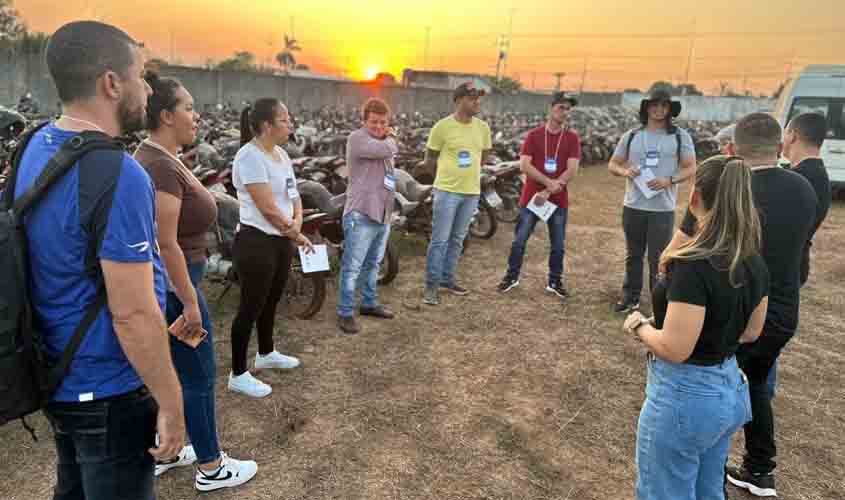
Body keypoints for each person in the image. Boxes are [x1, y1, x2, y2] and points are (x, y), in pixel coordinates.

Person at [12, 21, 184, 500]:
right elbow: (132, 313)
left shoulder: (33, 148)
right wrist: (171, 402)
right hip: (108, 388)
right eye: (141, 76)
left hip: (54, 373)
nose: (147, 89)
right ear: (112, 84)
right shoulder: (118, 173)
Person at [665, 113, 817, 498]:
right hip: (780, 313)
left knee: (715, 395)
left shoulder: (723, 190)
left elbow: (678, 249)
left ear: (733, 148)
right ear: (779, 146)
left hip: (729, 313)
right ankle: (759, 468)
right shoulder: (804, 190)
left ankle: (706, 475)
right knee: (756, 387)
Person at [134, 73, 257, 490]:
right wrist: (188, 301)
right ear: (166, 115)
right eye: (188, 108)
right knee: (199, 375)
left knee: (170, 371)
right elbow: (164, 242)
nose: (196, 116)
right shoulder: (159, 165)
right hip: (177, 288)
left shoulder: (159, 158)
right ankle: (211, 466)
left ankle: (163, 450)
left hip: (172, 286)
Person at [623, 155, 768, 500]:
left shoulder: (692, 265)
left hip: (686, 397)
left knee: (665, 490)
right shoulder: (753, 260)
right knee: (707, 488)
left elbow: (676, 348)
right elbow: (751, 332)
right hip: (729, 389)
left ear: (695, 199)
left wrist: (639, 326)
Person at [228, 98, 313, 398]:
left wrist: (297, 222)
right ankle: (238, 373)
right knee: (250, 307)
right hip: (256, 242)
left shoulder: (280, 155)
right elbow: (267, 208)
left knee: (271, 300)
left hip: (281, 241)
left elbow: (293, 195)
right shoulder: (249, 157)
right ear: (267, 125)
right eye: (285, 120)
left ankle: (266, 353)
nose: (291, 124)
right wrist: (296, 234)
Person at [761, 112, 832, 404]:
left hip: (778, 269)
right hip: (792, 265)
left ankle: (759, 393)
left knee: (762, 340)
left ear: (792, 135)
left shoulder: (798, 180)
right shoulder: (818, 175)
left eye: (785, 132)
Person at [608, 89, 697, 314]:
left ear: (669, 110)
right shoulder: (632, 135)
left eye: (664, 106)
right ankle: (630, 297)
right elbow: (613, 164)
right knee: (633, 254)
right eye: (655, 105)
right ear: (646, 108)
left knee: (659, 258)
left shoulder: (679, 136)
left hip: (662, 209)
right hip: (633, 205)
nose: (659, 109)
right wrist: (625, 171)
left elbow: (691, 167)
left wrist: (670, 180)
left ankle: (659, 303)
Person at [497, 92, 581, 297]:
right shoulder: (534, 136)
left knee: (558, 245)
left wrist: (553, 186)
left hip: (558, 199)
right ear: (551, 108)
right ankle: (511, 276)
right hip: (533, 199)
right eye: (561, 107)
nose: (565, 112)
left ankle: (554, 281)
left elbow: (572, 169)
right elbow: (525, 165)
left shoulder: (571, 138)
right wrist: (548, 184)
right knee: (519, 241)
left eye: (568, 108)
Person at [422, 82, 493, 305]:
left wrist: (468, 174)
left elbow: (484, 156)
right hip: (447, 192)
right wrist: (444, 180)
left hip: (471, 192)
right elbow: (429, 159)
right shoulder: (442, 127)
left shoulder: (482, 128)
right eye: (472, 98)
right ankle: (431, 287)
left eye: (478, 99)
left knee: (457, 239)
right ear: (459, 100)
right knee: (440, 240)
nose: (477, 103)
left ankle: (448, 279)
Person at [336, 98, 397, 334]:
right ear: (364, 121)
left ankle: (369, 303)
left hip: (382, 213)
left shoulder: (384, 141)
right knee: (352, 266)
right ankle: (345, 312)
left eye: (383, 122)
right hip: (361, 212)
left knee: (373, 263)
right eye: (374, 122)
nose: (379, 126)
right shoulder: (358, 139)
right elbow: (386, 148)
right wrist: (392, 137)